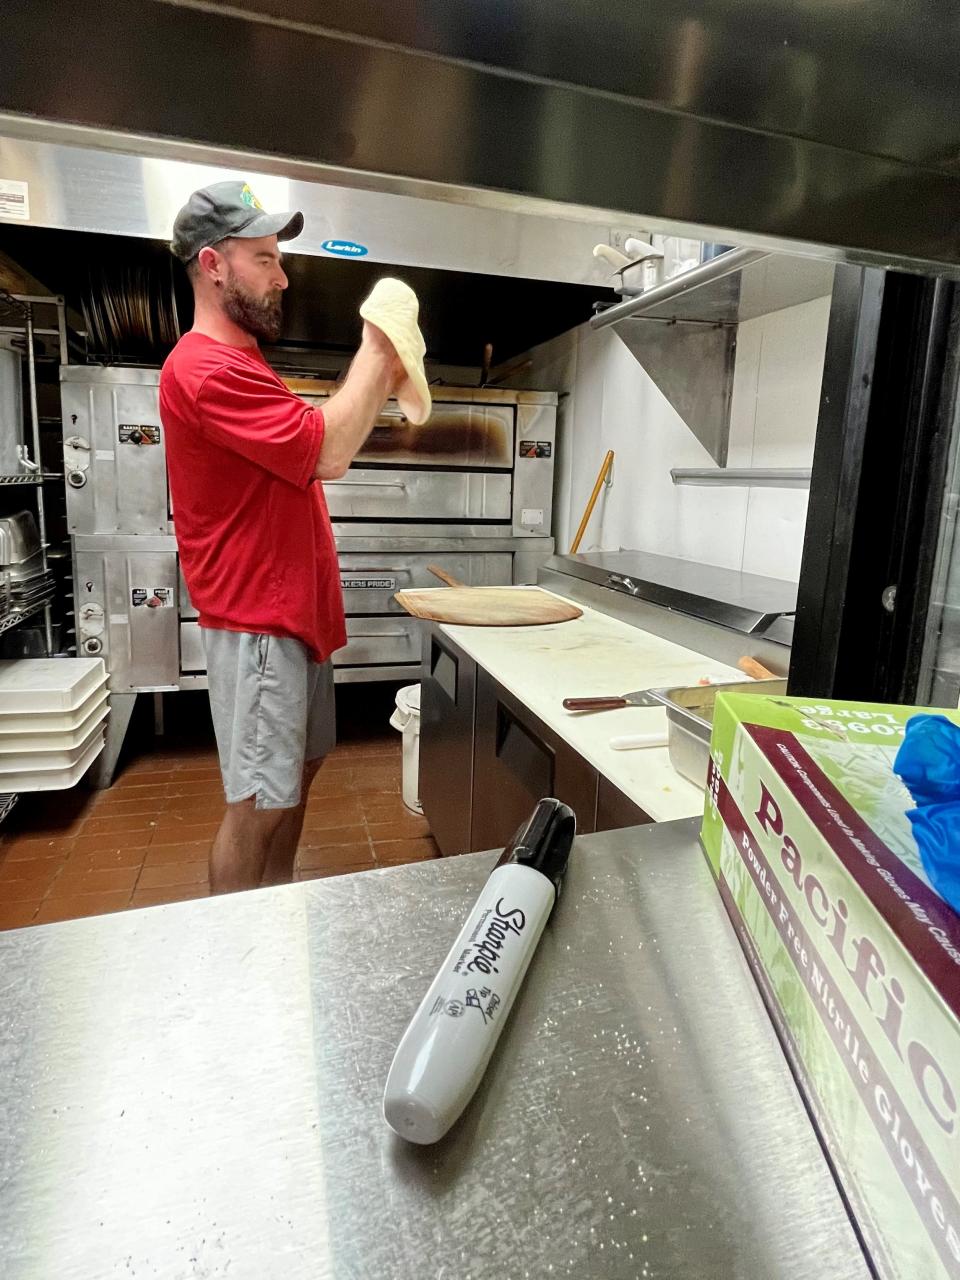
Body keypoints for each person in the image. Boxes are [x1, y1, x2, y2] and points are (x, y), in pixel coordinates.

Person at [159, 180, 403, 894]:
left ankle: (277, 912)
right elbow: (326, 452)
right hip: (260, 620)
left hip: (292, 615)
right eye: (263, 258)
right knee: (259, 806)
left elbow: (316, 448)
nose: (282, 275)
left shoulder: (242, 362)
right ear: (213, 264)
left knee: (292, 779)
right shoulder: (204, 369)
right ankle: (238, 958)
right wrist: (377, 348)